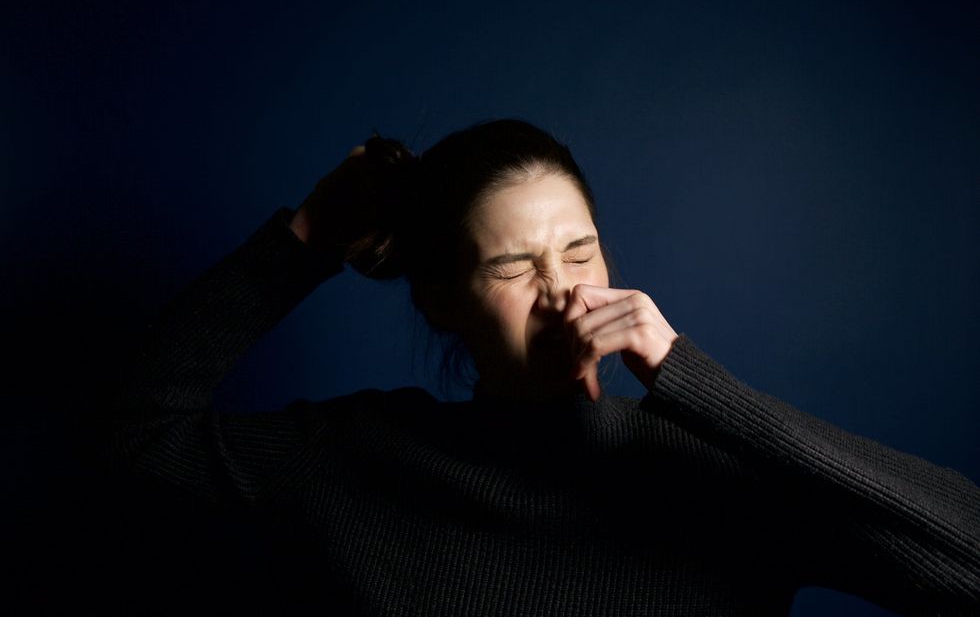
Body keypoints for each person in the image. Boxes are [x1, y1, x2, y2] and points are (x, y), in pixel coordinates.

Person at [101, 119, 980, 615]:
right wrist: (306, 238)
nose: (561, 292)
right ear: (442, 301)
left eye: (580, 250)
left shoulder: (713, 475)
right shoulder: (358, 456)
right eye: (512, 267)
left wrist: (691, 379)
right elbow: (136, 432)